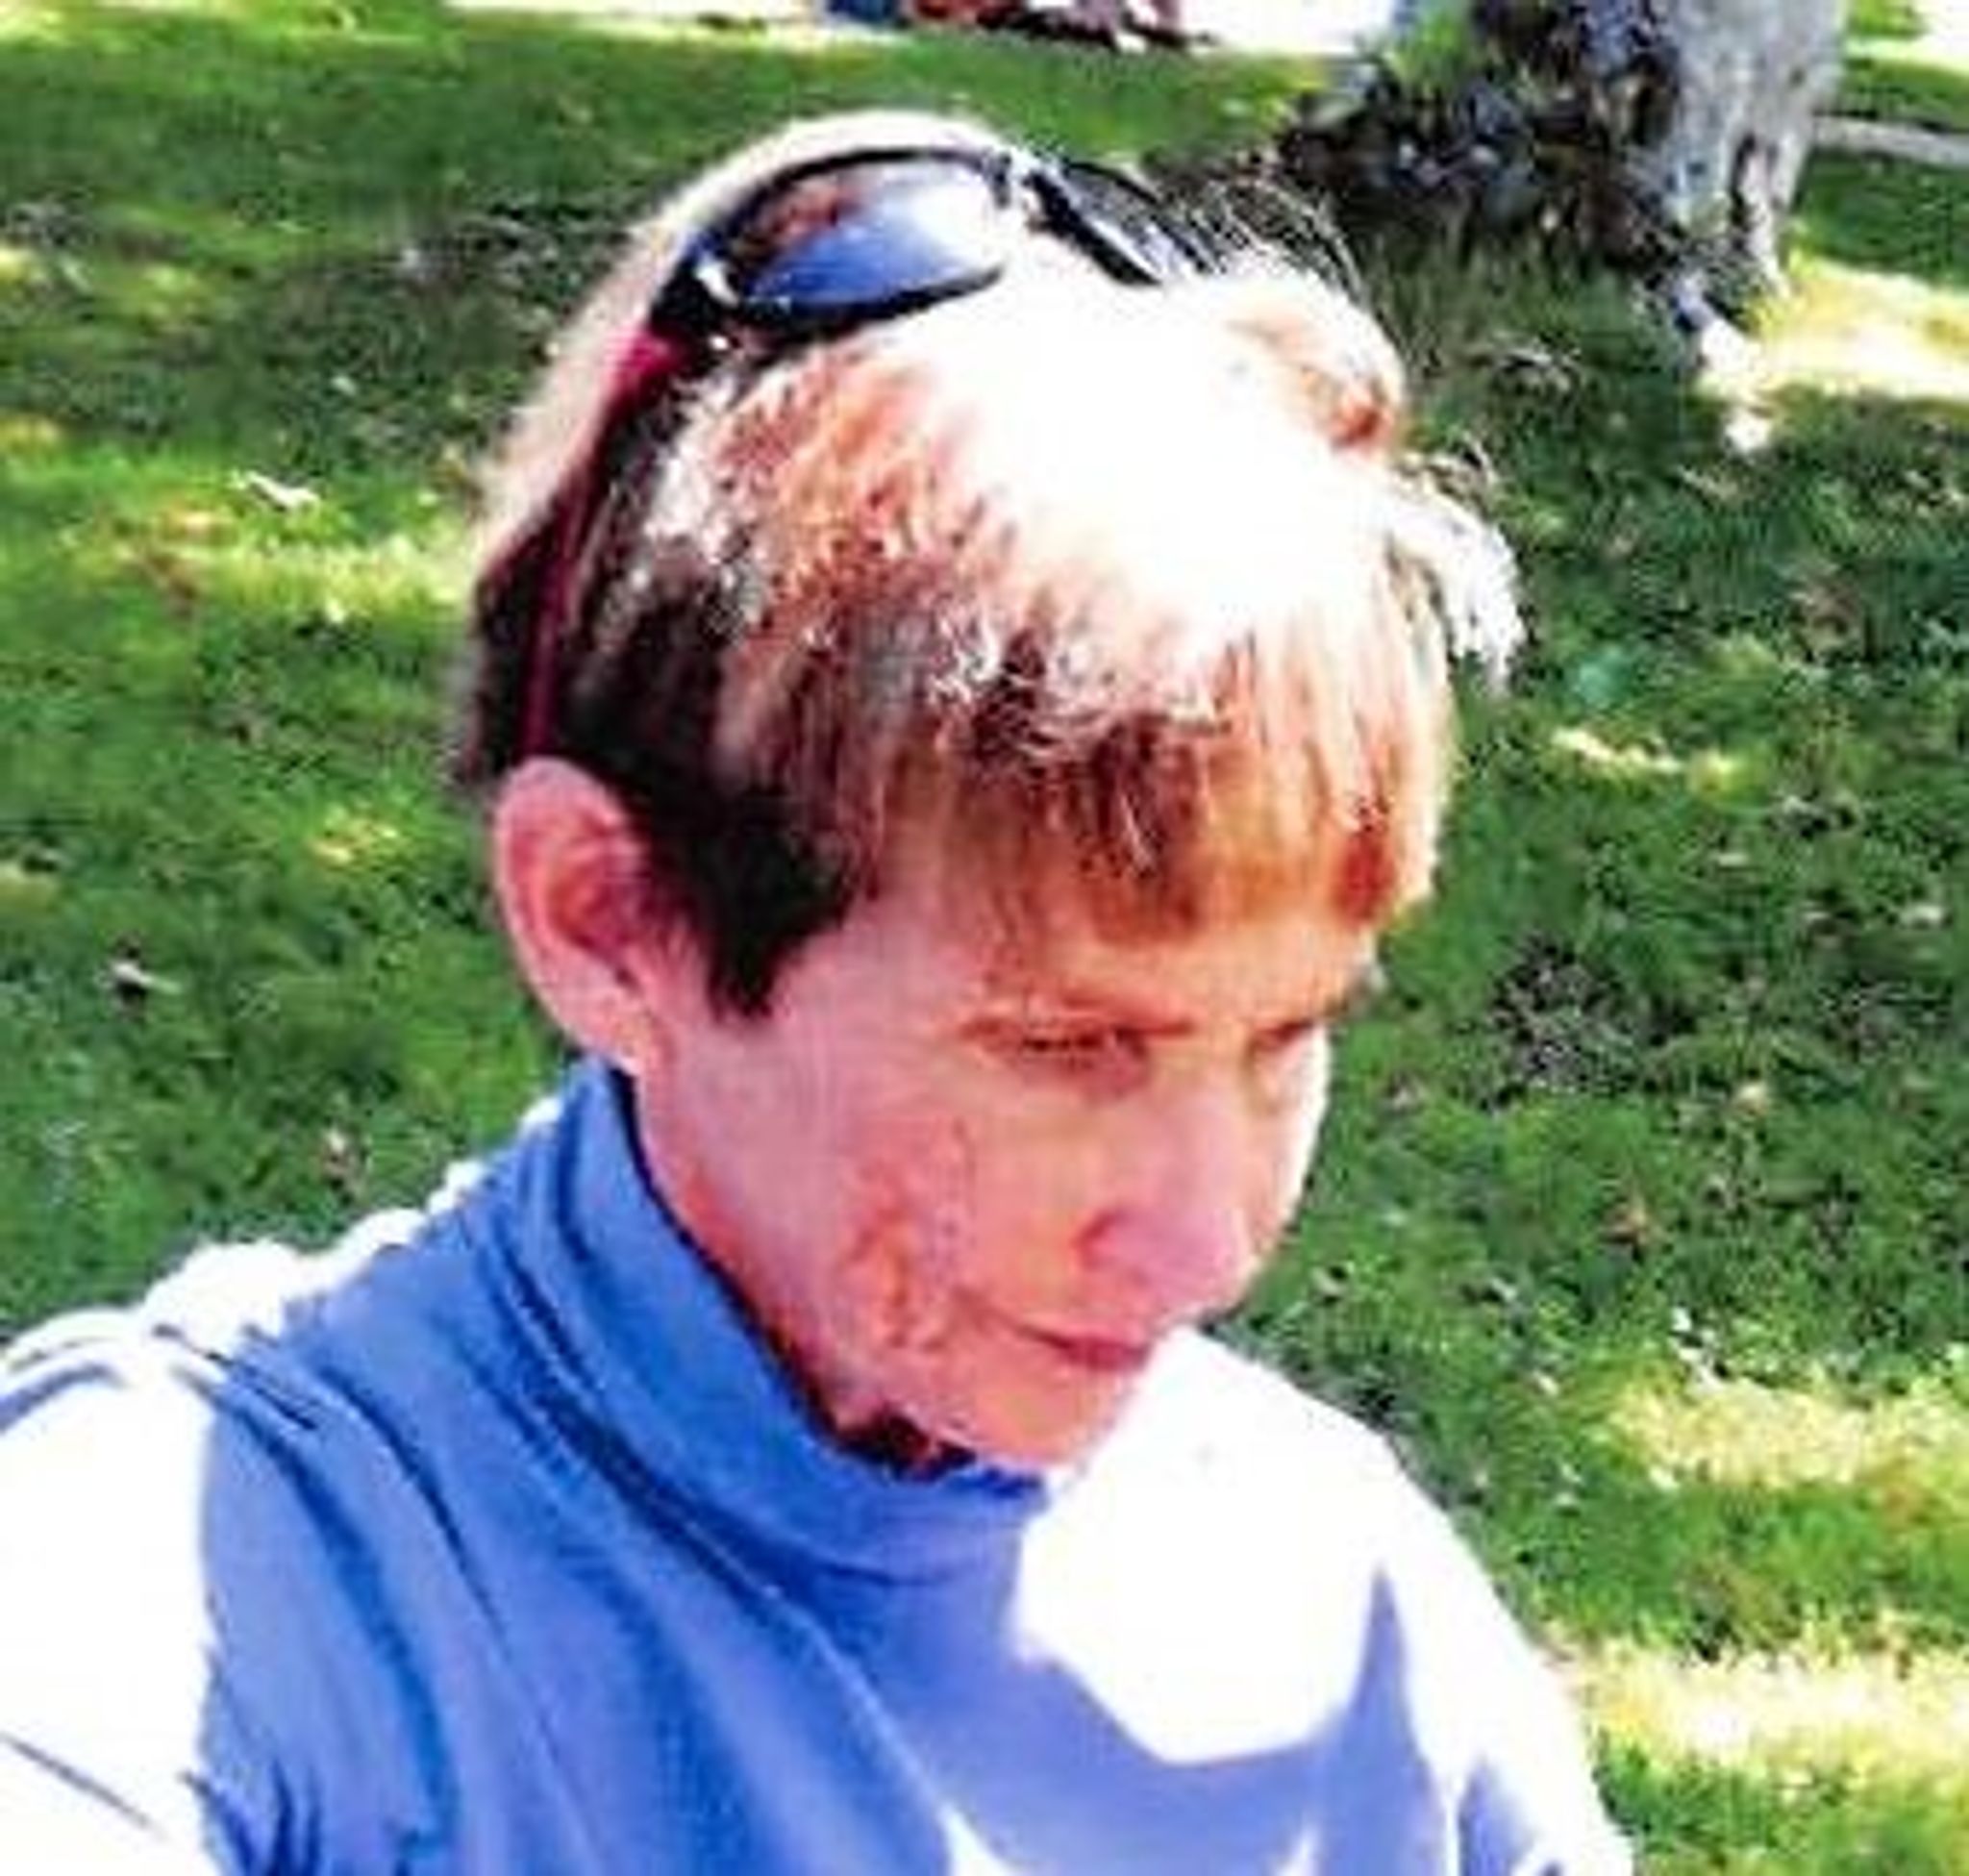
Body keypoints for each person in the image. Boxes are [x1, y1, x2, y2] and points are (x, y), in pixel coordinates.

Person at [0, 111, 1628, 1871]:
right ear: (607, 920)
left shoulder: (1337, 1605)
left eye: (1287, 1036)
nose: (1207, 1247)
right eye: (1070, 1047)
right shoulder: (205, 1573)